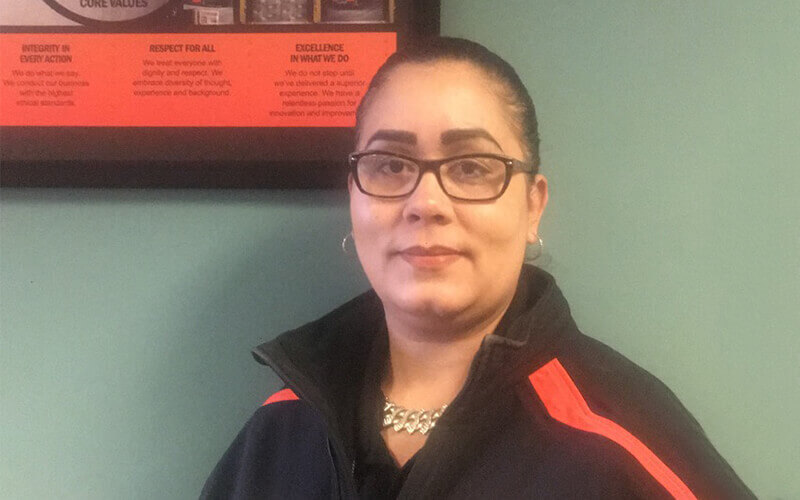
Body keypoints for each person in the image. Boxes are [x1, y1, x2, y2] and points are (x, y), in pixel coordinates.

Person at [201, 37, 754, 499]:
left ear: (532, 206)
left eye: (471, 167)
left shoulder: (620, 440)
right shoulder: (279, 431)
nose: (426, 202)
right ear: (354, 196)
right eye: (391, 165)